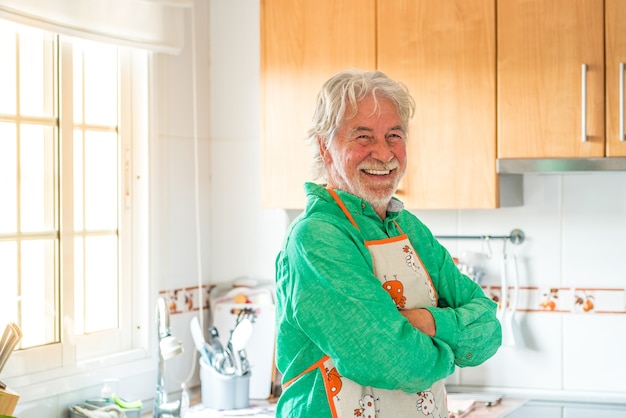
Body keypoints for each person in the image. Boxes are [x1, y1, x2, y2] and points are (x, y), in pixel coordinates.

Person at [274, 69, 502, 418]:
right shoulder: (316, 238)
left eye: (393, 135)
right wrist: (451, 350)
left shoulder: (409, 229)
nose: (383, 153)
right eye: (362, 137)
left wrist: (426, 323)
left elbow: (488, 330)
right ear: (325, 146)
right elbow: (392, 360)